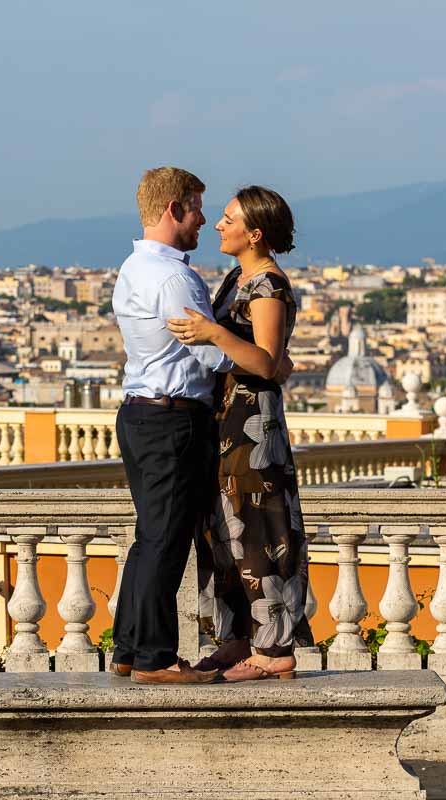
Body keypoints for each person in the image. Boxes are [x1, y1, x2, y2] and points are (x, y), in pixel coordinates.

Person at [167, 185, 312, 681]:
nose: (219, 225)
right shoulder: (237, 277)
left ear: (255, 233)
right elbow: (277, 358)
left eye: (230, 219)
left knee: (257, 531)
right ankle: (237, 640)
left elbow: (268, 363)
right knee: (224, 530)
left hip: (252, 426)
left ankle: (274, 650)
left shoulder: (268, 285)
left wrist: (215, 335)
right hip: (227, 421)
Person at [108, 166, 231, 685]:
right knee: (165, 539)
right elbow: (211, 356)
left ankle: (131, 647)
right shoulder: (176, 277)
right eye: (197, 207)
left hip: (140, 413)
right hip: (173, 419)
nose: (203, 219)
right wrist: (264, 359)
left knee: (149, 537)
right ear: (173, 210)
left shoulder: (133, 268)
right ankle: (156, 659)